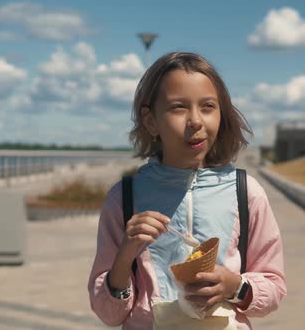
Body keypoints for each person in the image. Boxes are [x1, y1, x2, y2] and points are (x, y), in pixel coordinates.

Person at [88, 52, 286, 329]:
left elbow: (274, 287)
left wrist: (235, 286)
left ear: (221, 114)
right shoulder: (123, 197)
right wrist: (126, 254)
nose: (195, 121)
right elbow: (109, 314)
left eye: (207, 106)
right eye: (178, 107)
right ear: (150, 120)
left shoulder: (247, 192)